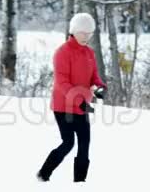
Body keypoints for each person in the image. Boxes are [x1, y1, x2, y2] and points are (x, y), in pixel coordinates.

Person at [37, 13, 107, 182]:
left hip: (82, 106)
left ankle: (80, 183)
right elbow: (62, 83)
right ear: (74, 31)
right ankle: (43, 174)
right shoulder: (62, 52)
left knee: (84, 145)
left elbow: (94, 78)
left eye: (90, 33)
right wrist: (80, 102)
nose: (87, 36)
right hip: (63, 107)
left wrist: (99, 88)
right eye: (83, 33)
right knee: (68, 143)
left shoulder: (89, 53)